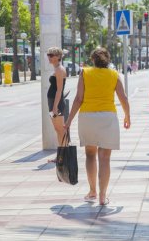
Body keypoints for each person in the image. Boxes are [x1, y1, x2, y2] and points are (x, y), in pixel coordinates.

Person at [65, 48, 130, 206]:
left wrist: (69, 120)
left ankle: (92, 190)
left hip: (88, 117)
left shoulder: (85, 73)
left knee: (90, 155)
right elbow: (123, 97)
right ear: (108, 59)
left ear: (92, 59)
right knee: (105, 158)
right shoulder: (114, 74)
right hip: (108, 117)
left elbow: (79, 99)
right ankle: (102, 196)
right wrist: (127, 116)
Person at [47, 47, 67, 146]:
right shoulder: (56, 68)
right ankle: (61, 155)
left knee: (60, 130)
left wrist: (55, 107)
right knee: (57, 129)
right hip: (52, 102)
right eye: (48, 55)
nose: (49, 57)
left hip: (56, 103)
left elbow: (59, 90)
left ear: (58, 56)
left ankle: (64, 156)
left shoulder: (59, 69)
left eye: (51, 55)